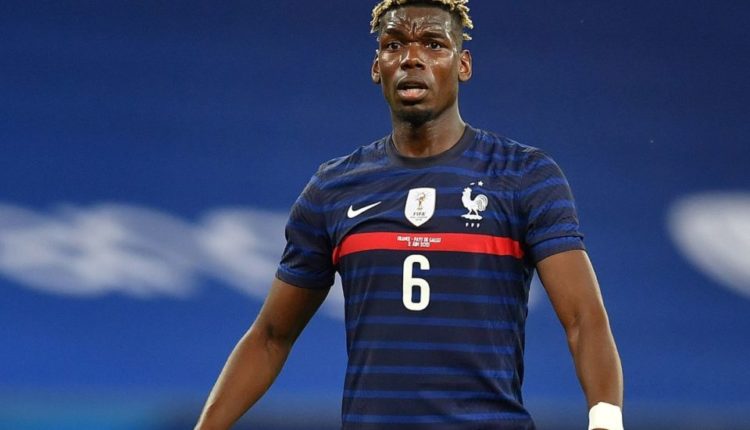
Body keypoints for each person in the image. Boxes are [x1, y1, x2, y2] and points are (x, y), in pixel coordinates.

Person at [195, 1, 623, 429]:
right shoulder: (334, 188)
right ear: (376, 67)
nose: (411, 58)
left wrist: (605, 420)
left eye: (433, 44)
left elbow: (583, 317)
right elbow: (270, 337)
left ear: (463, 65)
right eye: (394, 45)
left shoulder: (523, 175)